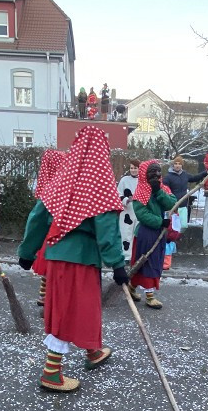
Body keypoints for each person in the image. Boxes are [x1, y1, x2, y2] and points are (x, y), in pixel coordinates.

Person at [17, 125, 127, 392]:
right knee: (71, 311)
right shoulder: (100, 183)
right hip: (81, 259)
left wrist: (26, 252)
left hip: (57, 256)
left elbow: (38, 217)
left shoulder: (62, 180)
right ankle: (51, 373)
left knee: (80, 308)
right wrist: (118, 264)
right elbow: (107, 230)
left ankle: (92, 351)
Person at [129, 160, 177, 308]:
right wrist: (159, 221)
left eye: (158, 172)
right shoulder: (141, 191)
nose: (156, 176)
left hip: (159, 233)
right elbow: (141, 213)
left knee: (156, 262)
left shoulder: (163, 188)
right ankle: (149, 296)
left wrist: (158, 191)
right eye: (152, 173)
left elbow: (171, 203)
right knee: (145, 263)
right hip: (146, 234)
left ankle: (132, 288)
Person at [33, 149, 67, 305]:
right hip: (56, 233)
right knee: (54, 267)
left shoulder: (45, 186)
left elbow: (36, 219)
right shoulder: (59, 188)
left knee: (47, 267)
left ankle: (43, 294)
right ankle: (48, 295)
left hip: (47, 235)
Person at [163, 156, 208, 223]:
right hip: (173, 206)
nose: (177, 166)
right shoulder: (168, 177)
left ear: (182, 165)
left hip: (183, 206)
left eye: (179, 164)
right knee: (171, 227)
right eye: (176, 163)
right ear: (173, 165)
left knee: (183, 226)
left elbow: (194, 178)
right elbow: (165, 192)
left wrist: (206, 173)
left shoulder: (185, 175)